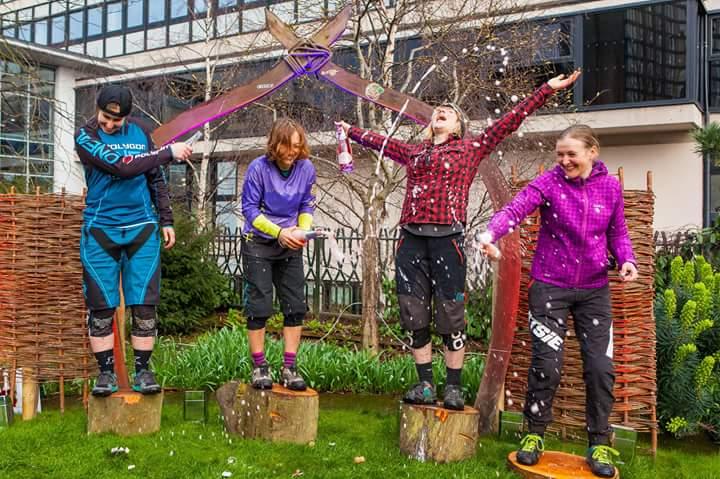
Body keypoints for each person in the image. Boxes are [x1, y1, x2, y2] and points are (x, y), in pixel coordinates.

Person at [336, 71, 581, 410]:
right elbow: (382, 142)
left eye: (448, 111)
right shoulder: (414, 151)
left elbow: (509, 122)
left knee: (451, 315)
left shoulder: (470, 149)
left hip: (447, 240)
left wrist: (545, 91)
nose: (441, 110)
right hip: (410, 241)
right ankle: (424, 384)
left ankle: (452, 387)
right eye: (439, 108)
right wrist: (351, 132)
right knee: (413, 313)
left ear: (458, 127)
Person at [478, 124, 638, 478]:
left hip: (595, 291)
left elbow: (618, 231)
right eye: (559, 154)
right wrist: (491, 234)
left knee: (600, 369)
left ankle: (599, 442)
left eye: (571, 154)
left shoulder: (610, 187)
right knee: (546, 364)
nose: (564, 160)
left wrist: (626, 259)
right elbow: (515, 209)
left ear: (592, 152)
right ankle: (534, 435)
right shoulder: (549, 183)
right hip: (550, 288)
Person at [74, 85, 192, 396]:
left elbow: (155, 177)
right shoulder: (86, 135)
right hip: (100, 230)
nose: (109, 125)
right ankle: (105, 374)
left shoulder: (142, 131)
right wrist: (167, 152)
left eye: (116, 120)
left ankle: (143, 371)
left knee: (144, 305)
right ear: (97, 110)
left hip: (142, 229)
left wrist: (166, 219)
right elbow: (120, 166)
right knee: (101, 307)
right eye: (105, 118)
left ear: (127, 117)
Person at [240, 118, 316, 391]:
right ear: (276, 144)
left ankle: (290, 367)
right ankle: (260, 366)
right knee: (259, 305)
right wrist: (279, 233)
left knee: (295, 306)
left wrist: (302, 232)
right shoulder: (258, 168)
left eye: (297, 146)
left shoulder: (306, 168)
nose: (292, 151)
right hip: (259, 242)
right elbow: (249, 210)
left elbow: (307, 202)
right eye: (287, 145)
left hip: (290, 242)